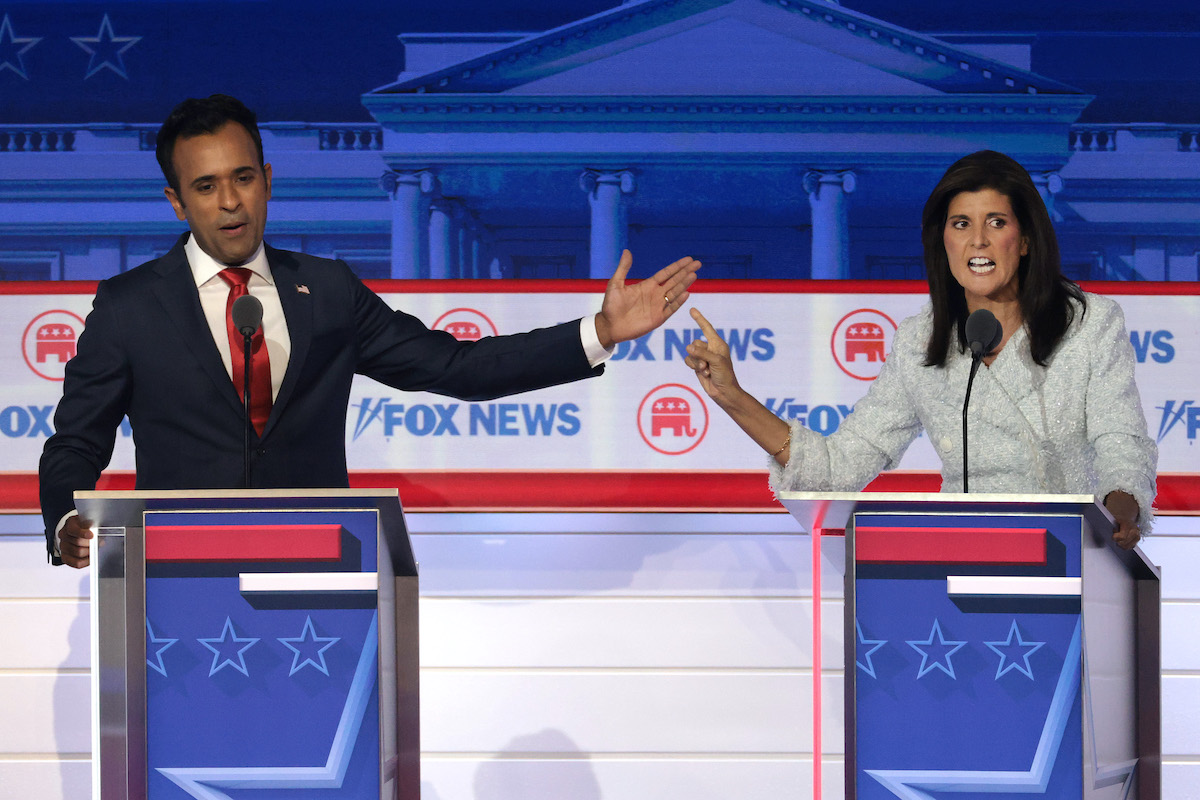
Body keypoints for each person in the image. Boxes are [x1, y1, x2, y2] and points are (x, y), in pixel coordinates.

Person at [41, 93, 700, 568]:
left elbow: (457, 369)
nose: (231, 202)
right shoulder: (129, 307)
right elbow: (75, 441)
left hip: (317, 573)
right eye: (207, 186)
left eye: (244, 178)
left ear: (268, 181)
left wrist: (600, 330)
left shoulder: (327, 291)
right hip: (178, 575)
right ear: (177, 202)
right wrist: (67, 517)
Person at [684, 150, 1155, 549]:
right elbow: (839, 467)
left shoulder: (1089, 323)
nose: (978, 241)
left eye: (996, 222)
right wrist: (733, 397)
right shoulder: (919, 342)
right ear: (943, 241)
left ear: (1025, 239)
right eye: (961, 224)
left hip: (1075, 553)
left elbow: (1121, 441)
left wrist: (1119, 505)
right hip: (962, 558)